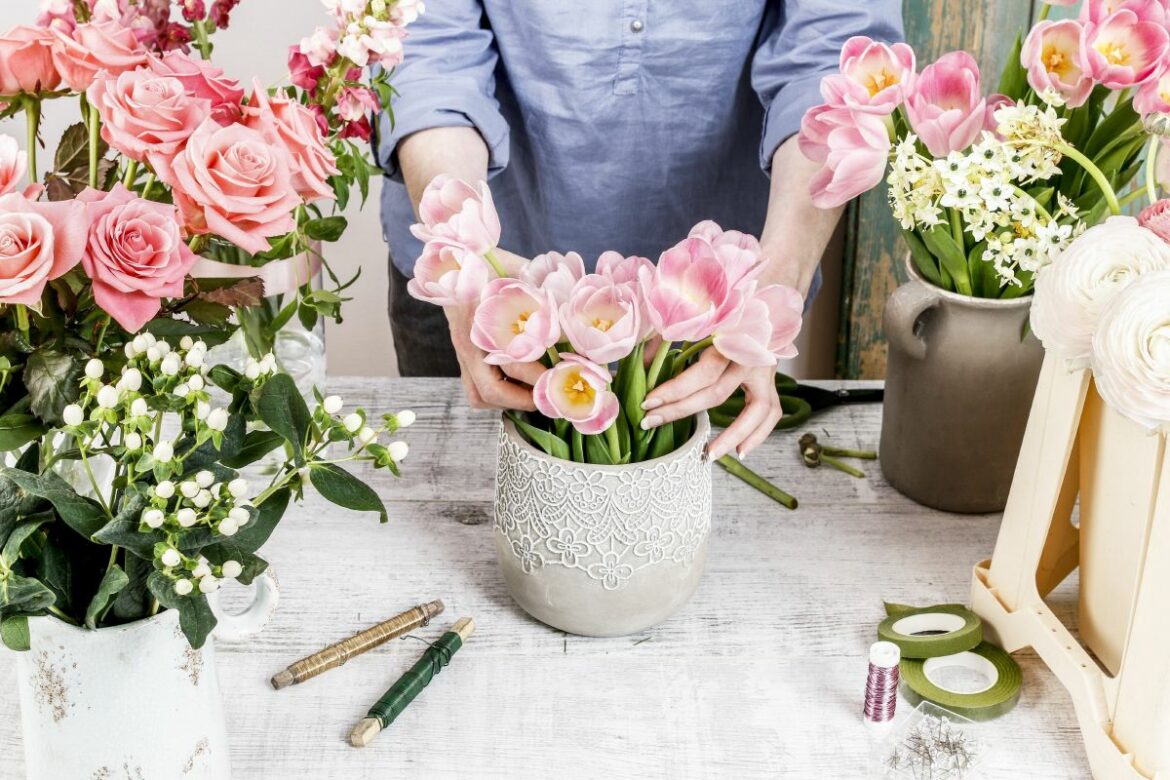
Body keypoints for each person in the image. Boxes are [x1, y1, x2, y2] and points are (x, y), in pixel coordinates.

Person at [376, 0, 902, 460]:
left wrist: (774, 287)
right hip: (486, 282)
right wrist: (463, 247)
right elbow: (426, 47)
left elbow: (836, 55)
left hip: (716, 306)